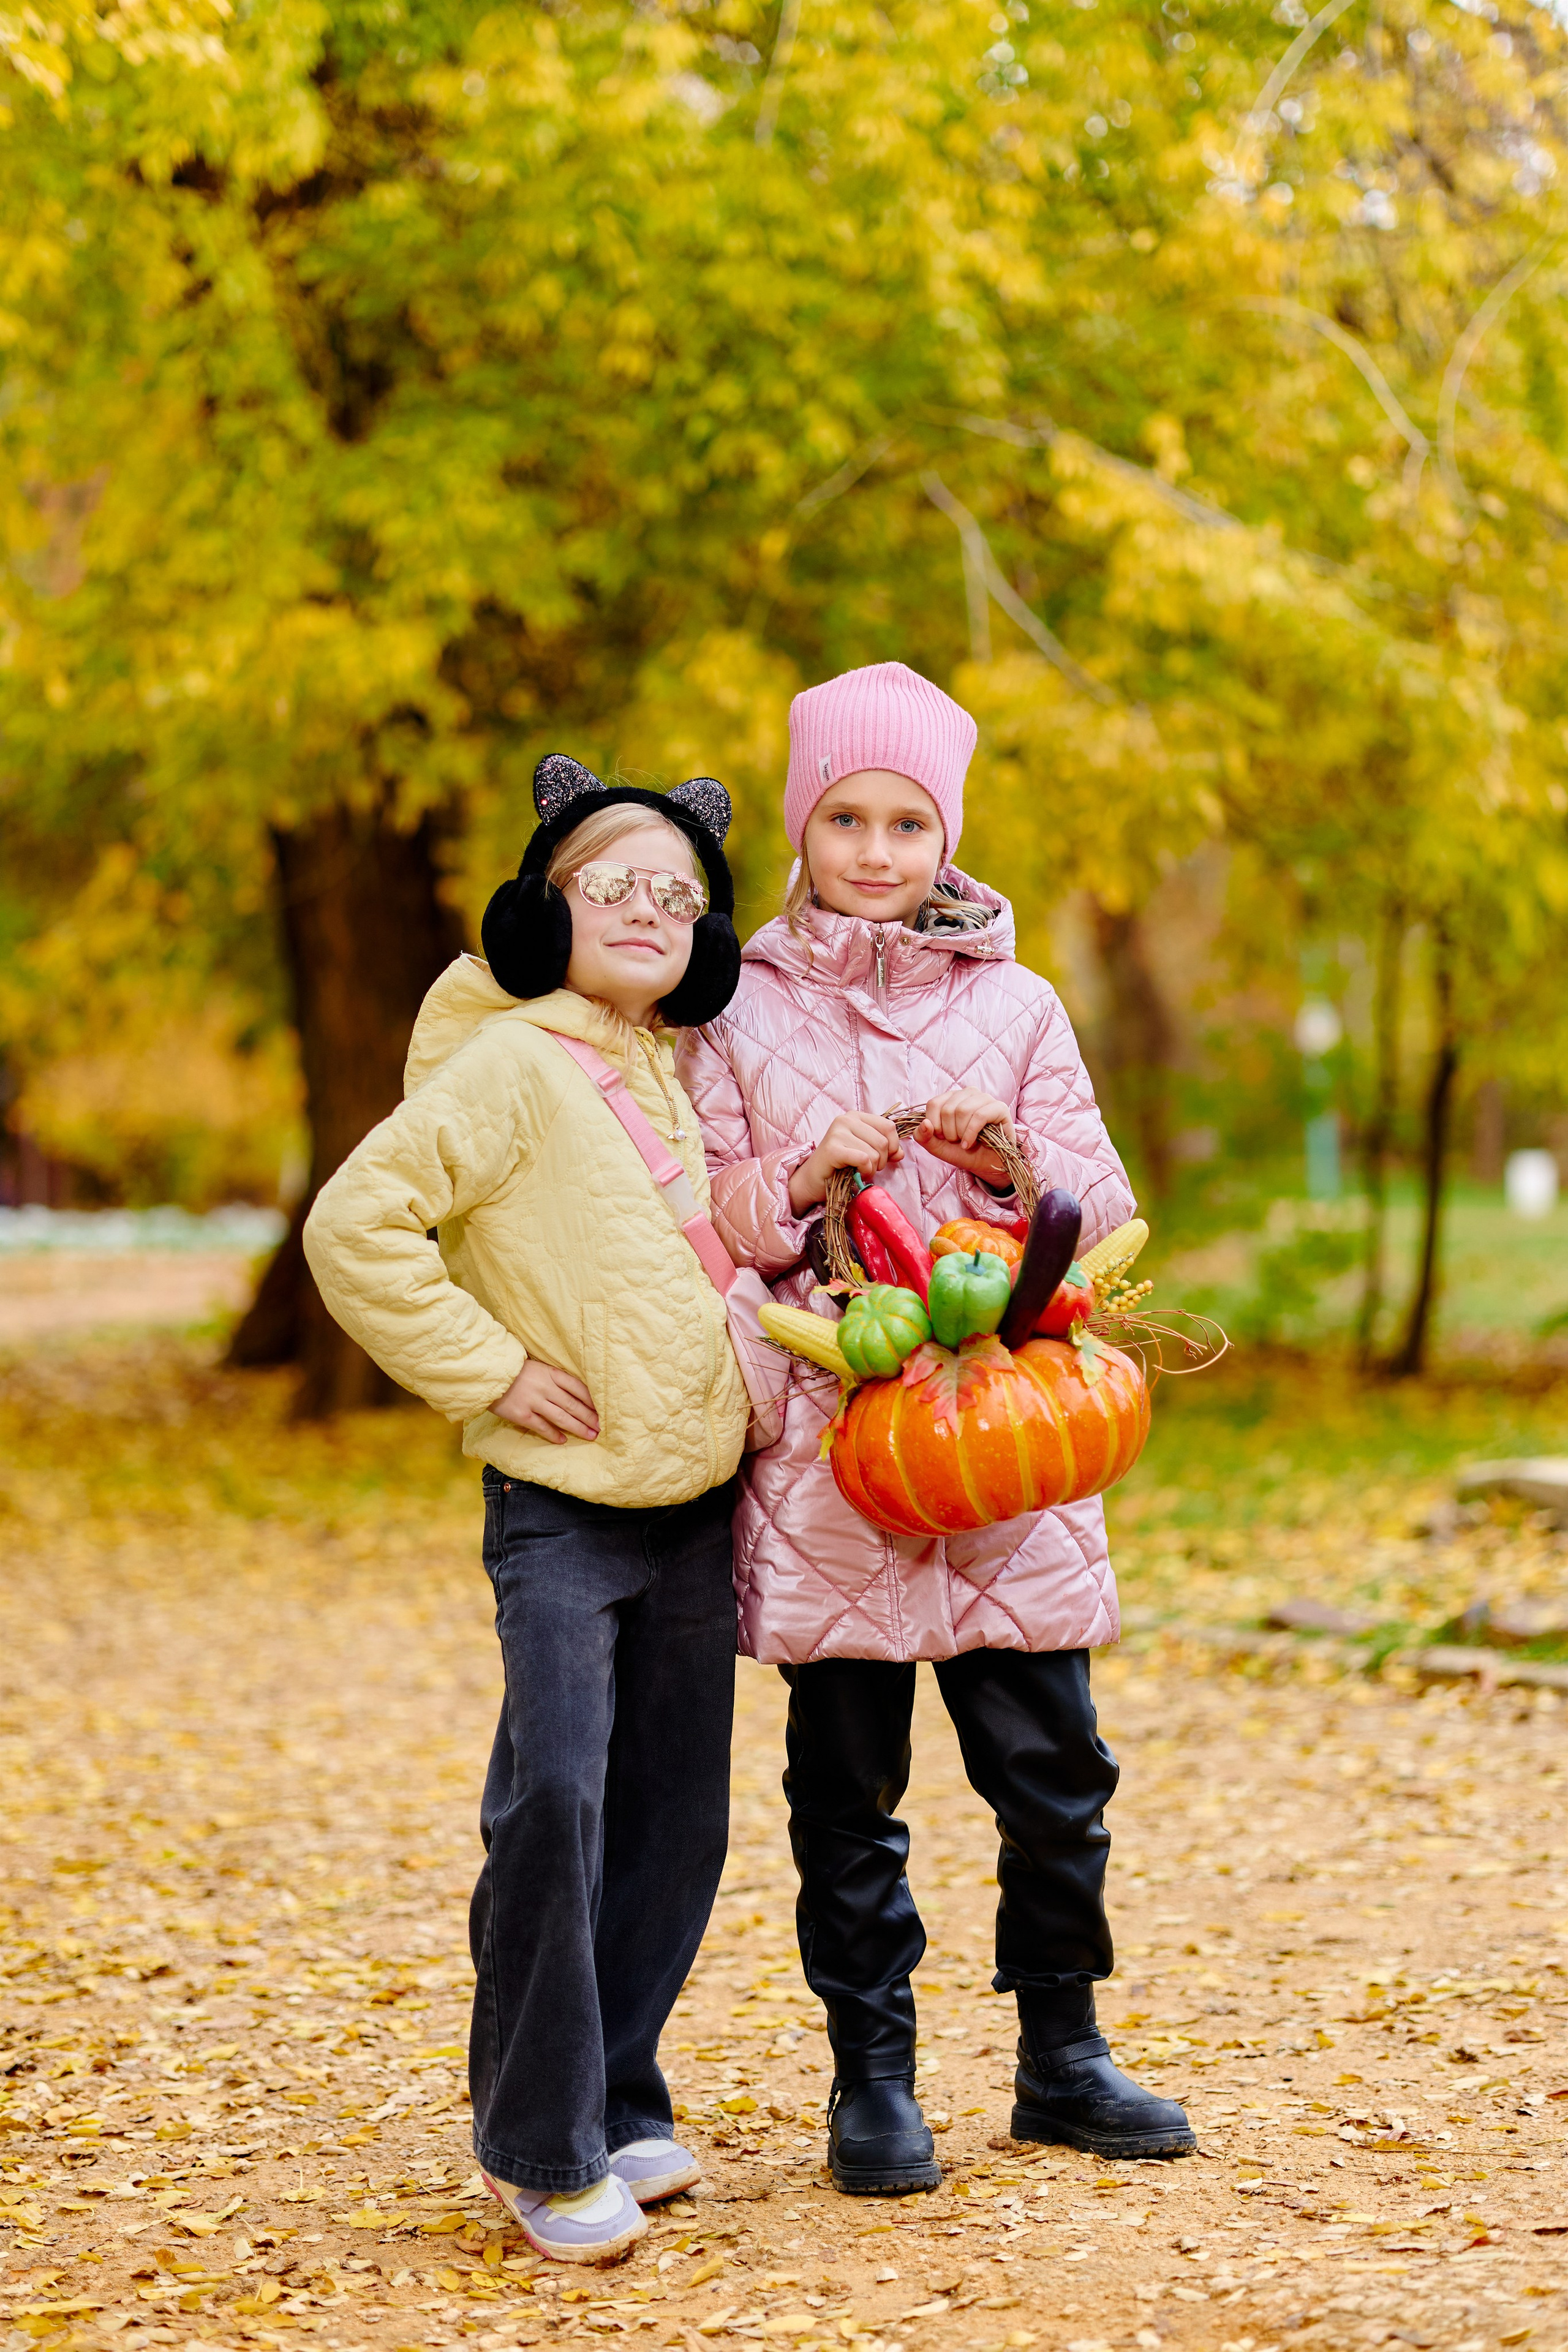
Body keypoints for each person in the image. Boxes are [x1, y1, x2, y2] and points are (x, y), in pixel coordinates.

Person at [677, 663, 1194, 2194]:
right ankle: (871, 2079)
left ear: (946, 834)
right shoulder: (737, 1003)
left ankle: (1062, 2051)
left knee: (1053, 1773)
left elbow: (1096, 1217)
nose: (878, 849)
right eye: (847, 816)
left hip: (1009, 1440)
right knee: (846, 1791)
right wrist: (793, 1174)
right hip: (845, 1453)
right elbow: (706, 1220)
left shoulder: (1017, 1008)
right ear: (802, 825)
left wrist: (1011, 1154)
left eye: (908, 820)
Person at [304, 754, 750, 2263]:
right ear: (538, 909)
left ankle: (619, 2093)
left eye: (678, 895)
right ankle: (539, 2144)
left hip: (694, 1504)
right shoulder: (507, 1067)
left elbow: (683, 1243)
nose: (648, 909)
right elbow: (354, 1224)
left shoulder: (663, 1067)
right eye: (612, 883)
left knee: (677, 1821)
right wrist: (488, 1366)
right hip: (562, 1507)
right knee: (555, 1799)